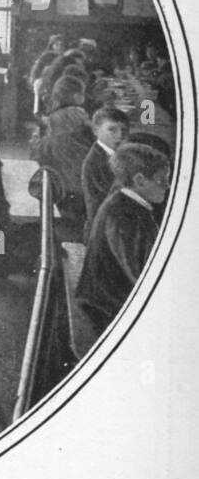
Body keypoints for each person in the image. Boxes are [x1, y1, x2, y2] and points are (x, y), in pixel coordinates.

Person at [72, 144, 169, 356]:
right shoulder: (125, 217)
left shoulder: (124, 201)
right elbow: (145, 276)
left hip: (106, 298)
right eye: (162, 180)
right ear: (140, 180)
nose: (168, 187)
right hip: (105, 308)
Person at [82, 106, 130, 226]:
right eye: (112, 130)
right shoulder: (95, 163)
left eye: (124, 130)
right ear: (95, 130)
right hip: (103, 227)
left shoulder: (120, 154)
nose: (120, 135)